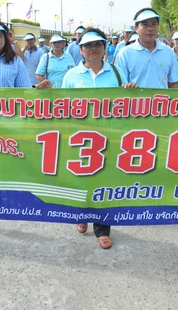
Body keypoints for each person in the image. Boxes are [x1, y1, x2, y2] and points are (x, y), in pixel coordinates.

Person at [61, 28, 138, 249]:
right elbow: (62, 108)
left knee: (105, 184)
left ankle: (102, 228)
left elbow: (129, 102)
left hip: (110, 139)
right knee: (80, 180)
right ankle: (81, 215)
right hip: (79, 140)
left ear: (105, 48)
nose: (93, 49)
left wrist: (130, 90)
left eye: (98, 44)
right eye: (88, 46)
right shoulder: (71, 76)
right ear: (81, 50)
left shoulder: (116, 72)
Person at [115, 8, 178, 88]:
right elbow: (119, 86)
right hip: (136, 100)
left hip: (161, 100)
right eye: (145, 24)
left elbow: (173, 84)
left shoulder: (168, 52)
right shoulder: (124, 54)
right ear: (136, 28)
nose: (150, 29)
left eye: (154, 24)